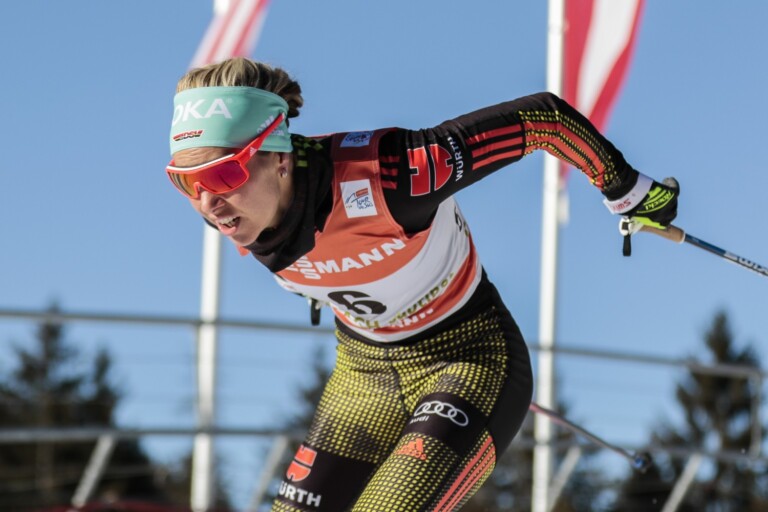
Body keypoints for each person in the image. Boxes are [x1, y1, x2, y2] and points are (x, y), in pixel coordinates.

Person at [166, 57, 678, 511]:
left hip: (469, 359)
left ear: (279, 156)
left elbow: (542, 119)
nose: (208, 203)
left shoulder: (394, 174)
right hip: (362, 375)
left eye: (224, 174)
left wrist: (628, 190)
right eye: (187, 181)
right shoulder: (242, 215)